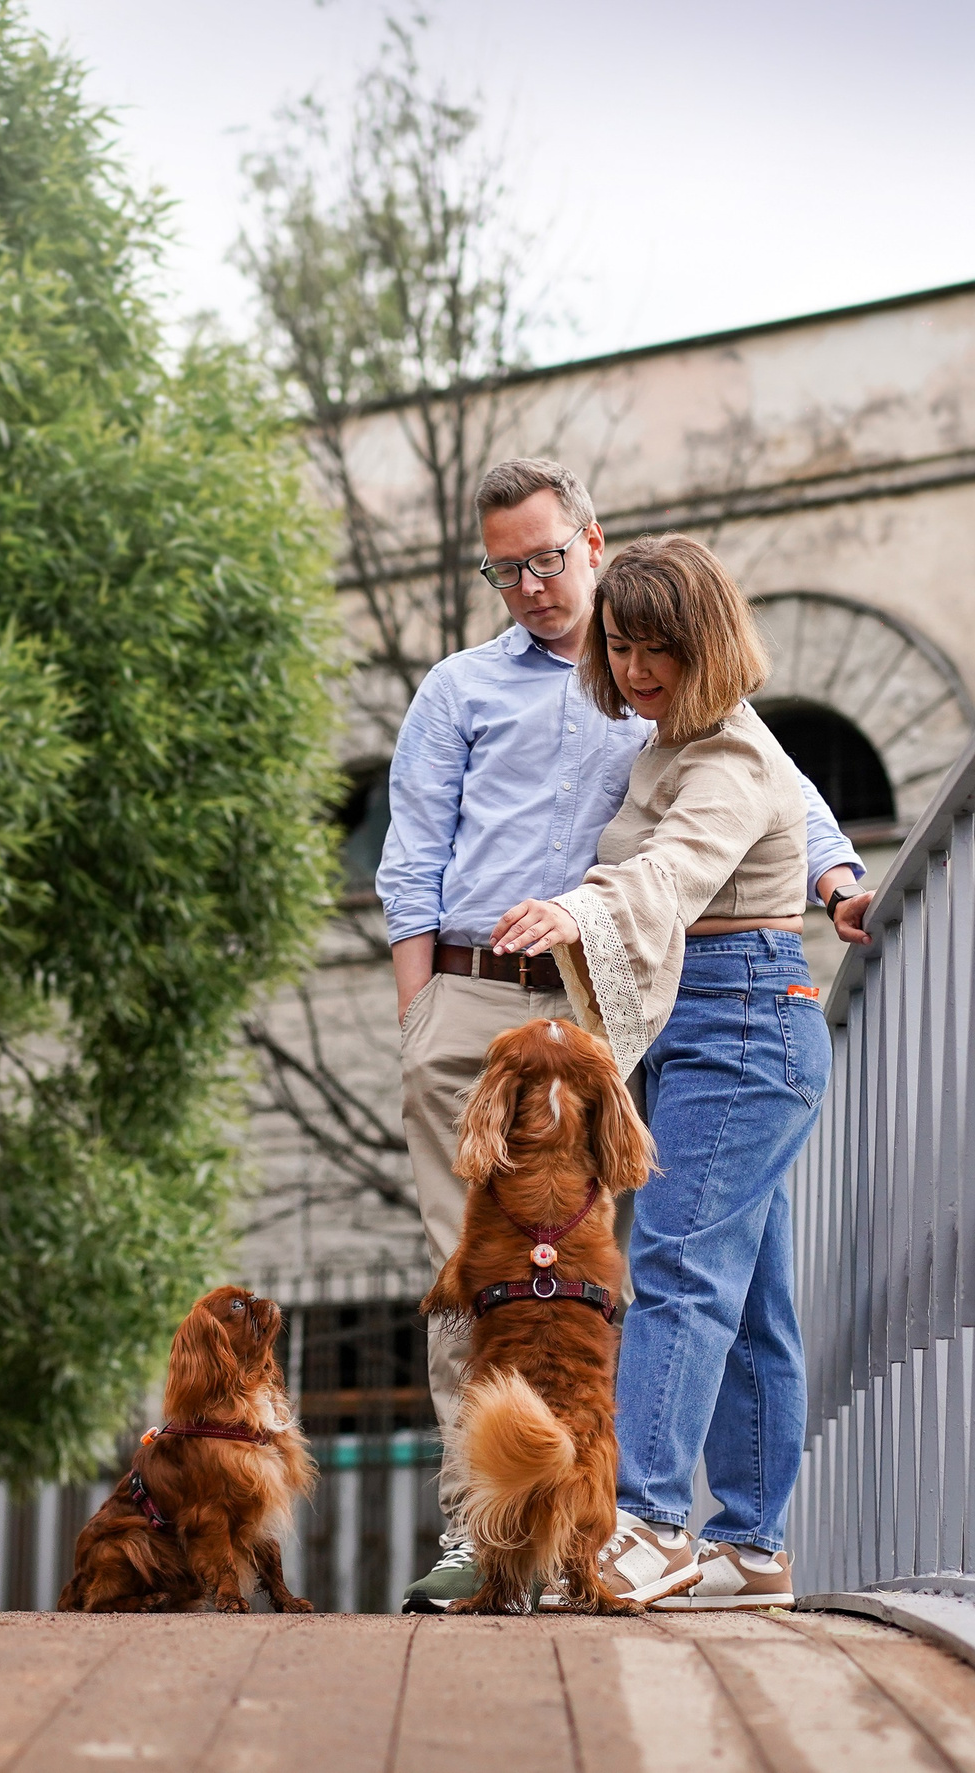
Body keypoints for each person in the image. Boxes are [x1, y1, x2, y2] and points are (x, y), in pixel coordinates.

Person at [491, 533, 875, 1611]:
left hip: (744, 1024)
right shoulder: (677, 743)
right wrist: (836, 873)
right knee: (745, 1299)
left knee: (675, 1272)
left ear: (707, 643)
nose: (638, 668)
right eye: (619, 646)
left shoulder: (729, 756)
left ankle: (651, 1524)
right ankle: (750, 1546)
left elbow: (672, 871)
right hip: (714, 1024)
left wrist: (575, 908)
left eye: (660, 646)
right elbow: (796, 819)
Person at [378, 458, 649, 1612]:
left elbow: (767, 779)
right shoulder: (457, 689)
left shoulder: (653, 669)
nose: (532, 585)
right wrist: (420, 1013)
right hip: (471, 1003)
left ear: (593, 542)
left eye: (547, 557)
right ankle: (475, 1531)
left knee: (599, 1290)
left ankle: (592, 1534)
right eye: (506, 569)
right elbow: (410, 853)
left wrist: (836, 871)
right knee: (473, 1283)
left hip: (598, 1014)